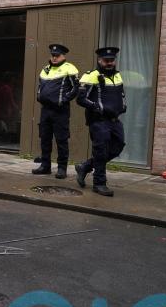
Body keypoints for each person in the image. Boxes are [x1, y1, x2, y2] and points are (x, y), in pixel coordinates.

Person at [75, 47, 127, 196]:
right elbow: (80, 99)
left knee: (118, 145)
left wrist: (124, 105)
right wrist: (98, 107)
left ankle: (85, 166)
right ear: (99, 60)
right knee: (101, 150)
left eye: (112, 60)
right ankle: (99, 183)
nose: (109, 63)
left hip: (115, 119)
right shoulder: (90, 76)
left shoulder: (118, 76)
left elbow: (121, 94)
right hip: (98, 120)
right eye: (106, 60)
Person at [32, 44, 79, 179]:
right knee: (45, 138)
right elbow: (40, 86)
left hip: (60, 111)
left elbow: (75, 89)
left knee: (61, 139)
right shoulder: (45, 69)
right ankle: (45, 166)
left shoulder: (69, 68)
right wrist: (39, 95)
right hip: (45, 110)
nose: (54, 57)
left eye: (57, 55)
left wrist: (63, 100)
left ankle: (62, 168)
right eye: (52, 55)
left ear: (63, 55)